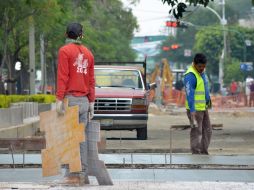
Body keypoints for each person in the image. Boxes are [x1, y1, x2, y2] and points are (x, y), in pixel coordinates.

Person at [56, 22, 95, 185]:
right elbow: (92, 80)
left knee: (69, 137)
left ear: (66, 35)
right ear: (81, 35)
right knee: (82, 138)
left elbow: (63, 76)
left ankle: (72, 175)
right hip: (84, 101)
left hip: (70, 100)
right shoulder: (89, 53)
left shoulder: (64, 51)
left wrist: (59, 99)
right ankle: (82, 174)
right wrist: (92, 101)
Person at [184, 53, 212, 155]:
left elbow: (204, 88)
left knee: (207, 130)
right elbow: (189, 93)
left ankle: (203, 151)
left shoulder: (201, 73)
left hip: (203, 108)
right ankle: (196, 152)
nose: (202, 68)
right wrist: (192, 110)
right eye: (200, 66)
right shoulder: (190, 75)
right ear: (195, 64)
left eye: (204, 66)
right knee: (196, 131)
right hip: (194, 109)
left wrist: (208, 101)